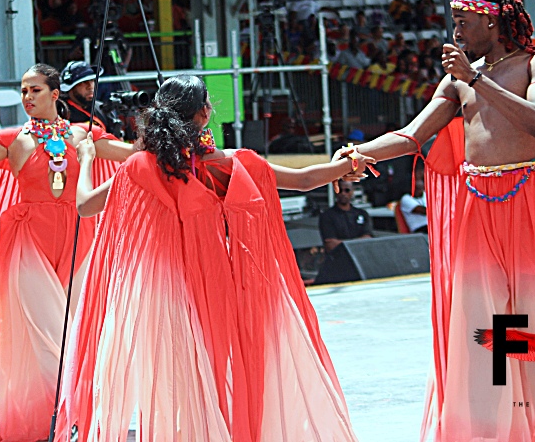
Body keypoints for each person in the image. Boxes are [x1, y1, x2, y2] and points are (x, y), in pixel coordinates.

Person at [338, 0, 535, 441]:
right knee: (476, 324)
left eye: (463, 20)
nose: (456, 29)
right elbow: (411, 136)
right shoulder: (455, 78)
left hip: (531, 200)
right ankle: (482, 431)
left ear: (492, 19)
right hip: (475, 205)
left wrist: (476, 79)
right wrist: (353, 156)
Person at [54, 75, 366, 442]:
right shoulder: (232, 162)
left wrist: (87, 158)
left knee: (175, 388)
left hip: (161, 291)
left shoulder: (140, 165)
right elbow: (303, 179)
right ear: (205, 112)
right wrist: (345, 164)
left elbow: (85, 205)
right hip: (215, 283)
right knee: (215, 374)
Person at [0, 63, 133, 442]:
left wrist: (169, 148)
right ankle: (55, 418)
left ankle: (71, 413)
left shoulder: (85, 135)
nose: (27, 97)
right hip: (28, 240)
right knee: (44, 332)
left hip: (80, 239)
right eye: (23, 91)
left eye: (35, 90)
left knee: (75, 332)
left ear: (55, 94)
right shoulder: (12, 139)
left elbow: (129, 155)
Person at [60, 60, 115, 133]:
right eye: (83, 82)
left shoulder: (102, 108)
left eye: (92, 80)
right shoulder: (60, 111)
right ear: (71, 87)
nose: (90, 86)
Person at [319, 181, 373, 250]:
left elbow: (368, 240)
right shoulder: (327, 216)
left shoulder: (362, 214)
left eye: (347, 190)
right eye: (340, 190)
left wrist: (342, 243)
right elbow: (330, 245)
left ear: (352, 191)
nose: (343, 193)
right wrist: (358, 242)